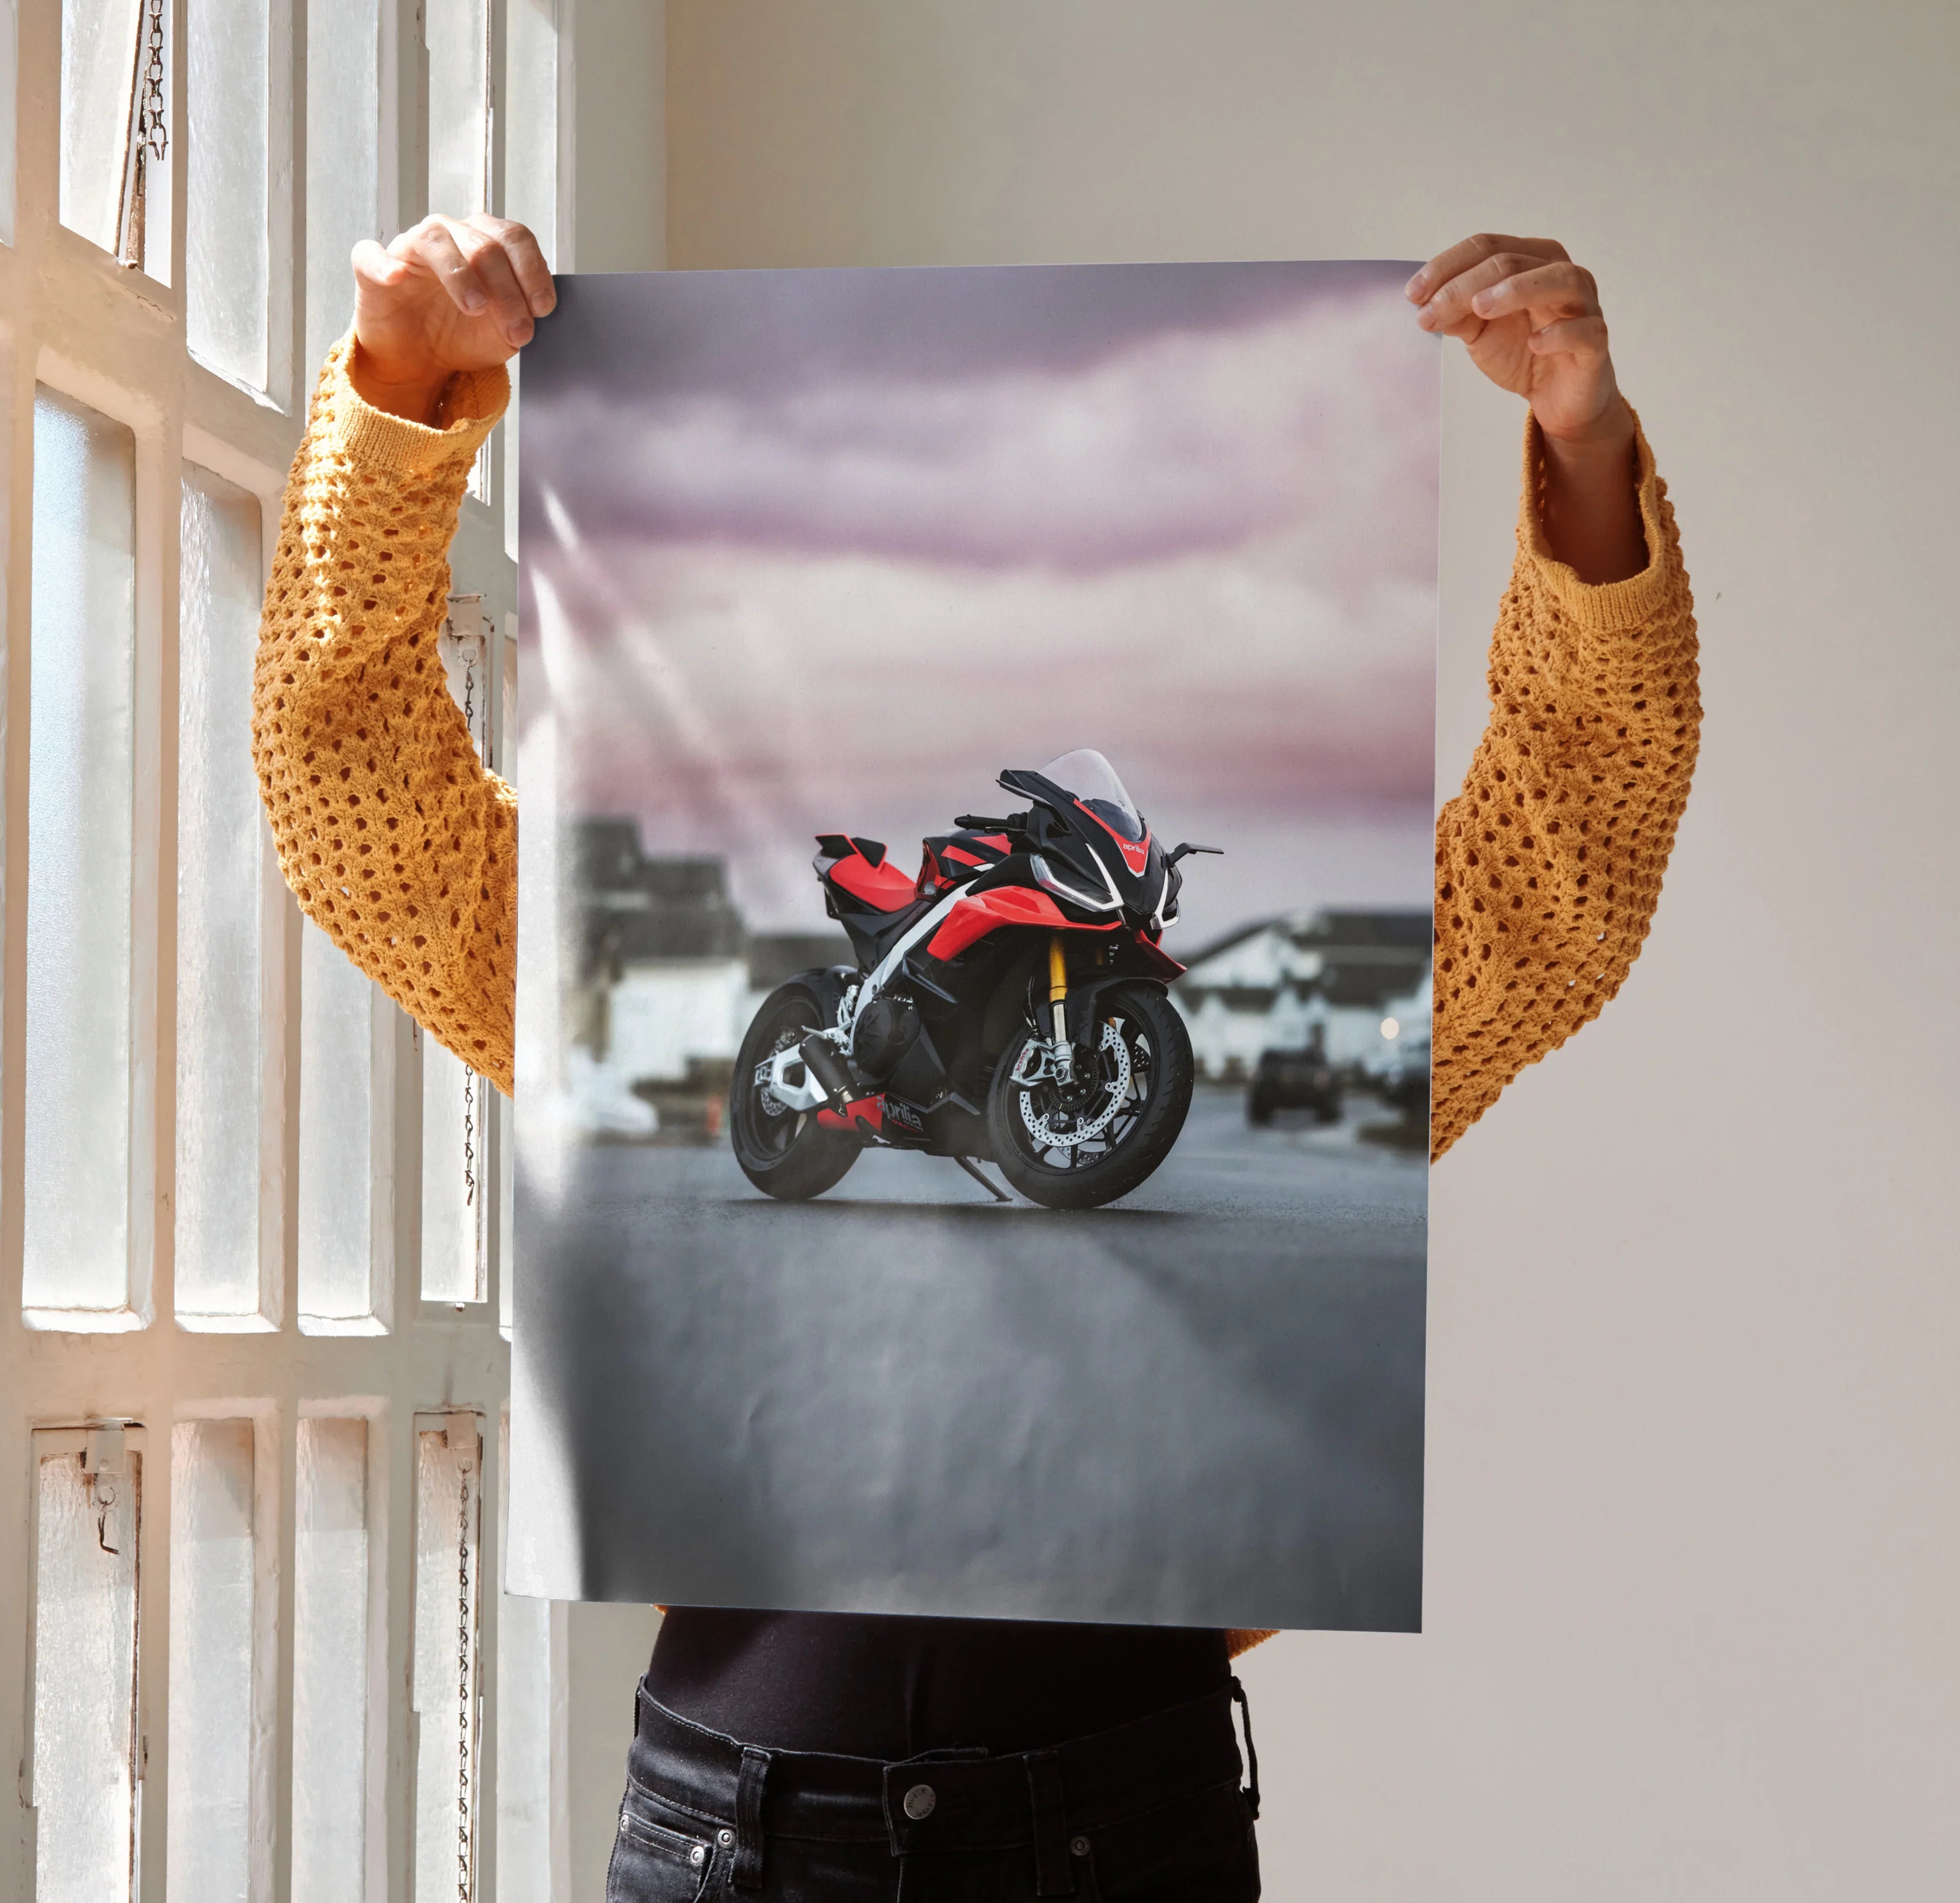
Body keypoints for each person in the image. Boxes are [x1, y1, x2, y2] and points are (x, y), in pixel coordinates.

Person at [253, 216, 1699, 1901]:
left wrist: (1582, 450)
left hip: (1122, 1816)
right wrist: (399, 394)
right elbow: (355, 801)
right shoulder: (630, 967)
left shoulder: (1283, 1025)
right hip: (738, 1830)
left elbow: (1564, 870)